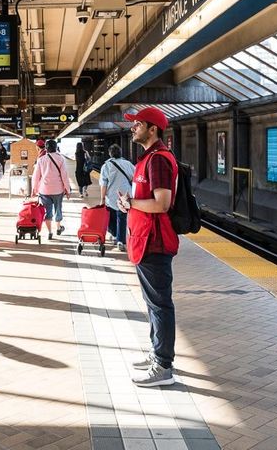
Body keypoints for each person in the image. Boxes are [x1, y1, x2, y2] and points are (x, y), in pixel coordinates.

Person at [117, 107, 179, 387]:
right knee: (153, 304)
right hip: (143, 241)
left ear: (152, 129)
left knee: (160, 305)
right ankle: (157, 354)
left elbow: (162, 203)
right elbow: (145, 199)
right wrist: (128, 202)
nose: (133, 128)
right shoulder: (146, 160)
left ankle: (163, 367)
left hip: (154, 242)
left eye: (138, 124)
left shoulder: (158, 161)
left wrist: (131, 204)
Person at [30, 139, 70, 240]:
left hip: (44, 191)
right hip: (58, 190)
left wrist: (34, 189)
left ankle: (49, 232)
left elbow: (36, 176)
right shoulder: (60, 159)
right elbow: (64, 176)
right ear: (56, 147)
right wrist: (67, 190)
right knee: (58, 209)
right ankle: (58, 228)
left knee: (48, 212)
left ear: (46, 148)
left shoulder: (41, 160)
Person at [99, 144, 134, 252]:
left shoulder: (106, 166)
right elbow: (134, 178)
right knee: (122, 218)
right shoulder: (128, 164)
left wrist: (102, 198)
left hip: (111, 197)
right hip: (125, 196)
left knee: (111, 216)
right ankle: (121, 241)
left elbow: (103, 184)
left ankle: (114, 235)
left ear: (110, 153)